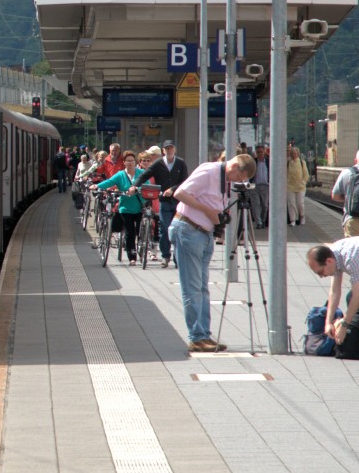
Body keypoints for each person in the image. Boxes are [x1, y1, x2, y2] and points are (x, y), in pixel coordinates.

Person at [169, 153, 257, 352]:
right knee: (192, 288)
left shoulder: (224, 179)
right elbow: (180, 193)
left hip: (204, 233)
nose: (237, 183)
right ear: (235, 166)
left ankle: (204, 335)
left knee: (202, 287)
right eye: (239, 178)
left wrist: (219, 213)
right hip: (188, 229)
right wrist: (209, 211)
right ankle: (196, 337)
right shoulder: (209, 171)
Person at [135, 139, 189, 268]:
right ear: (163, 151)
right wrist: (134, 186)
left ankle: (178, 258)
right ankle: (165, 256)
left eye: (171, 148)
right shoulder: (158, 163)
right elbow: (144, 175)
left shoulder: (180, 163)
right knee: (165, 229)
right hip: (164, 202)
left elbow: (185, 180)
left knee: (178, 229)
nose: (169, 150)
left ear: (174, 149)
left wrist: (173, 189)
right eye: (167, 148)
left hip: (178, 201)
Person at [96, 151, 143, 264]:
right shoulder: (120, 174)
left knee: (139, 231)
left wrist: (138, 190)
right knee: (130, 232)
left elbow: (147, 185)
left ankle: (142, 246)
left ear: (135, 162)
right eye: (128, 161)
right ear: (124, 162)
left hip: (140, 205)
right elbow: (110, 182)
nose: (130, 163)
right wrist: (97, 185)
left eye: (132, 160)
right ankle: (132, 256)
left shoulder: (141, 173)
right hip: (125, 207)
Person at [285, 145, 309, 227]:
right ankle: (293, 220)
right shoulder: (288, 163)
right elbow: (285, 174)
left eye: (295, 153)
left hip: (300, 187)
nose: (293, 155)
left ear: (298, 154)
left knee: (300, 204)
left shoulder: (302, 162)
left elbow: (306, 175)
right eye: (292, 153)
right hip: (290, 186)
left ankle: (302, 217)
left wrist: (303, 183)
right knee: (291, 204)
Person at [251, 144, 270, 228]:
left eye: (261, 152)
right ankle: (258, 222)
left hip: (265, 186)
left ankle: (263, 220)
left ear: (264, 152)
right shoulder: (253, 162)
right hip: (254, 186)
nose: (259, 154)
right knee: (255, 205)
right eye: (258, 152)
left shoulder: (268, 162)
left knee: (264, 205)